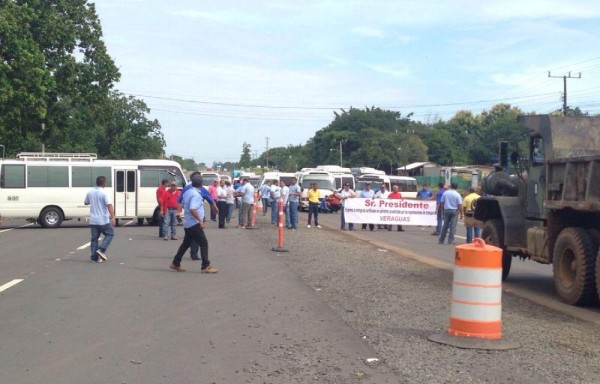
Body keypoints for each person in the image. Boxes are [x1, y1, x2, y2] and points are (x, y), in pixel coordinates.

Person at [170, 175, 218, 273]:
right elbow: (193, 209)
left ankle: (176, 262)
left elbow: (182, 204)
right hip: (194, 223)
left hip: (188, 223)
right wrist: (200, 220)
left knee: (186, 244)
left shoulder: (188, 192)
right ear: (201, 184)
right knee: (204, 243)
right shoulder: (196, 195)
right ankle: (205, 266)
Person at [84, 176, 116, 263]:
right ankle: (101, 250)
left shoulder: (90, 192)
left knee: (94, 239)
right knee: (110, 234)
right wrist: (113, 217)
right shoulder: (104, 193)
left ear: (96, 182)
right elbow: (109, 205)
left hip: (93, 220)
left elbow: (86, 202)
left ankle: (94, 258)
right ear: (104, 183)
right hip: (103, 220)